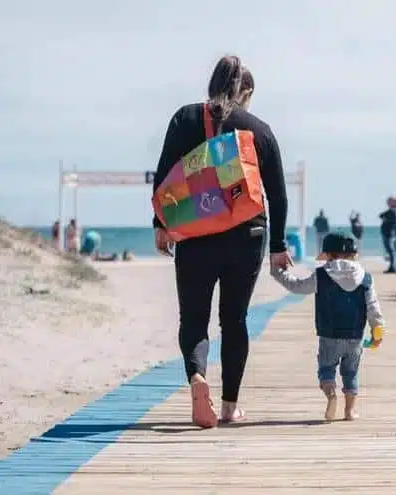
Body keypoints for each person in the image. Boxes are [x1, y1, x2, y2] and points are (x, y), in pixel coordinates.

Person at [151, 55, 291, 428]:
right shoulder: (258, 130)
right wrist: (278, 245)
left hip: (196, 237)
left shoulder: (184, 118)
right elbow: (277, 195)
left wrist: (161, 225)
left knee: (194, 319)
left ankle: (198, 376)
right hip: (246, 237)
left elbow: (165, 175)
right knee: (235, 319)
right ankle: (229, 406)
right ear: (246, 91)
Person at [271, 232, 385, 421]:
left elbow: (297, 287)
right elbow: (373, 308)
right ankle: (350, 411)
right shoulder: (365, 278)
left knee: (326, 370)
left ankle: (331, 396)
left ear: (329, 255)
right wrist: (377, 331)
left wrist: (278, 272)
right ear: (353, 254)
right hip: (355, 337)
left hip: (329, 336)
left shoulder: (322, 275)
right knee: (351, 373)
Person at [379, 196, 396, 273]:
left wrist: (385, 219)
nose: (388, 202)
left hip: (389, 234)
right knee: (393, 251)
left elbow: (383, 216)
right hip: (390, 234)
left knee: (392, 251)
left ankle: (394, 267)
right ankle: (394, 266)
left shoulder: (393, 211)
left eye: (390, 201)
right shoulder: (392, 211)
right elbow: (381, 215)